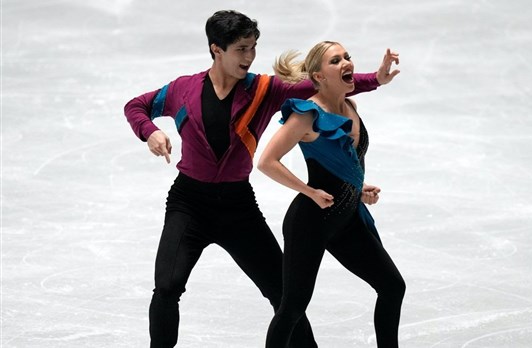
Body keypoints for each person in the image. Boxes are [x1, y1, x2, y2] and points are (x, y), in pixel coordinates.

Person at [123, 10, 400, 348]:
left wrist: (378, 79)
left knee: (285, 297)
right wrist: (149, 131)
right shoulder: (183, 89)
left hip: (239, 209)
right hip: (189, 205)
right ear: (216, 50)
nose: (250, 56)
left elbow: (322, 83)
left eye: (253, 47)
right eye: (241, 49)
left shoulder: (264, 90)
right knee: (167, 287)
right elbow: (136, 106)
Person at [257, 41, 406, 348]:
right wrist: (308, 191)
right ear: (319, 76)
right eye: (335, 61)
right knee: (293, 308)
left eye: (347, 57)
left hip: (346, 218)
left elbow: (344, 163)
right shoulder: (307, 116)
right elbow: (266, 162)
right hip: (309, 221)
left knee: (392, 286)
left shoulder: (351, 106)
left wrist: (358, 188)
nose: (345, 63)